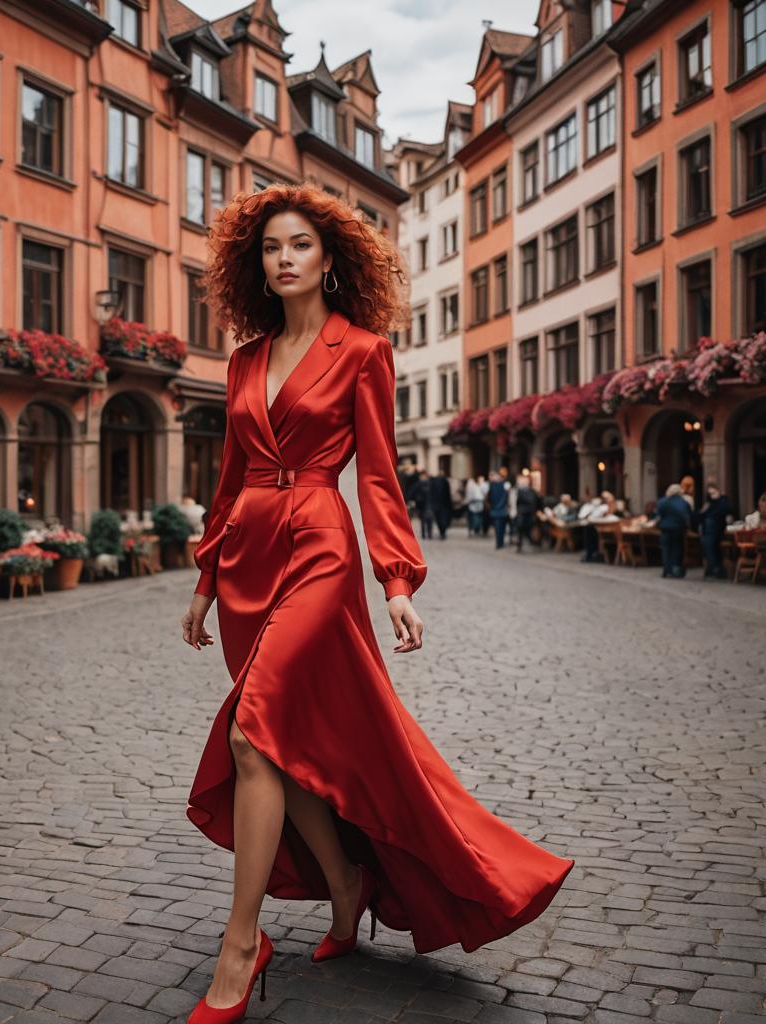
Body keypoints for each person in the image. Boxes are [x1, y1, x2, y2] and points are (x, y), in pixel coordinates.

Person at [179, 183, 574, 1022]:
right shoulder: (243, 360)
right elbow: (226, 479)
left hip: (320, 549)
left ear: (330, 259)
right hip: (249, 552)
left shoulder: (361, 350)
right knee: (287, 742)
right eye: (270, 249)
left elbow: (379, 473)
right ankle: (346, 880)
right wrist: (207, 578)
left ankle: (241, 944)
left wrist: (396, 579)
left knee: (253, 735)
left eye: (300, 246)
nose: (284, 260)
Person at [694, 481, 732, 579]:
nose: (712, 495)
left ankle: (716, 569)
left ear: (718, 491)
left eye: (713, 493)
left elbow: (725, 511)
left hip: (716, 528)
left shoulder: (723, 501)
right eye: (710, 494)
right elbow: (700, 515)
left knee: (711, 548)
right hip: (706, 528)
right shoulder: (709, 503)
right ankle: (712, 569)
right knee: (710, 548)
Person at [655, 483, 692, 578]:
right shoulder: (683, 502)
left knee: (666, 549)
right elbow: (688, 515)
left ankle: (666, 570)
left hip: (665, 528)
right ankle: (675, 569)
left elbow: (658, 514)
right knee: (677, 548)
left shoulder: (662, 501)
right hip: (678, 528)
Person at [578, 490, 617, 563]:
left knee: (590, 530)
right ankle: (590, 554)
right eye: (604, 498)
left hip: (611, 530)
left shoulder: (613, 506)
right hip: (600, 527)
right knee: (588, 528)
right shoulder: (601, 506)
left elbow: (610, 515)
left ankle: (592, 554)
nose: (605, 499)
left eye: (607, 498)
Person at [513, 474, 540, 553]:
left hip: (529, 513)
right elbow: (518, 503)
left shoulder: (533, 492)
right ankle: (521, 544)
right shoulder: (521, 492)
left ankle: (530, 542)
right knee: (521, 529)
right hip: (523, 513)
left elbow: (537, 503)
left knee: (528, 529)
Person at [487, 468, 511, 549]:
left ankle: (499, 542)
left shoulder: (493, 485)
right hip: (501, 509)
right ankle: (499, 542)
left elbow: (489, 498)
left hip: (496, 509)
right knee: (500, 527)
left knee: (499, 527)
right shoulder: (504, 485)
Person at [410, 469, 434, 539]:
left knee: (430, 519)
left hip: (429, 504)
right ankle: (424, 534)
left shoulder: (430, 483)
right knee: (423, 520)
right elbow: (412, 493)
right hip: (421, 505)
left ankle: (429, 534)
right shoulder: (418, 484)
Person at [429, 470, 453, 540]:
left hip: (437, 504)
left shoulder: (433, 482)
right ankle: (443, 532)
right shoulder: (445, 481)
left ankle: (442, 532)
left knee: (439, 519)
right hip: (444, 504)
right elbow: (448, 494)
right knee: (443, 518)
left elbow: (431, 493)